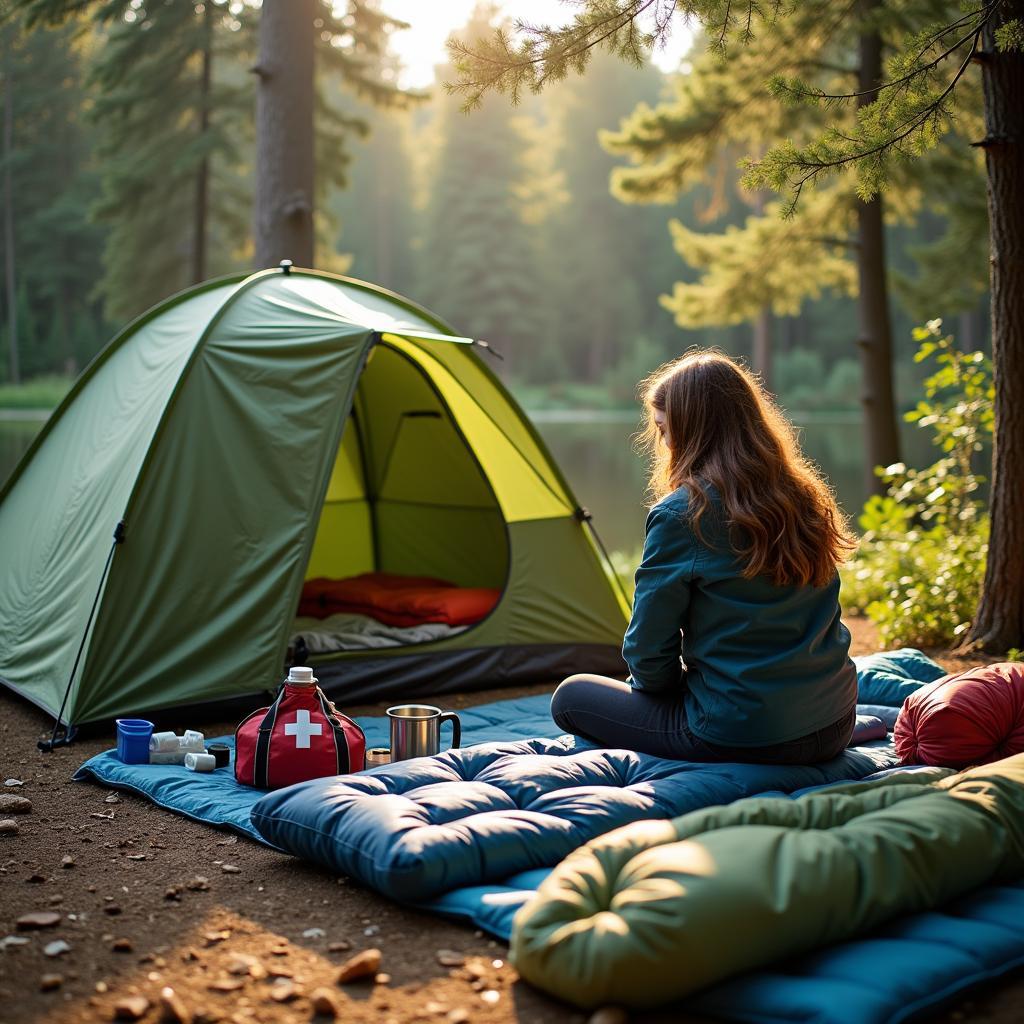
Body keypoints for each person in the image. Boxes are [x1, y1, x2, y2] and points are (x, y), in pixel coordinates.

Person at [551, 349, 859, 764]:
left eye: (665, 429)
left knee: (571, 696)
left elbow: (647, 649)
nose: (663, 442)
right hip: (834, 722)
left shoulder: (683, 514)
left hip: (742, 734)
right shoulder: (802, 495)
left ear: (695, 430)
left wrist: (665, 694)